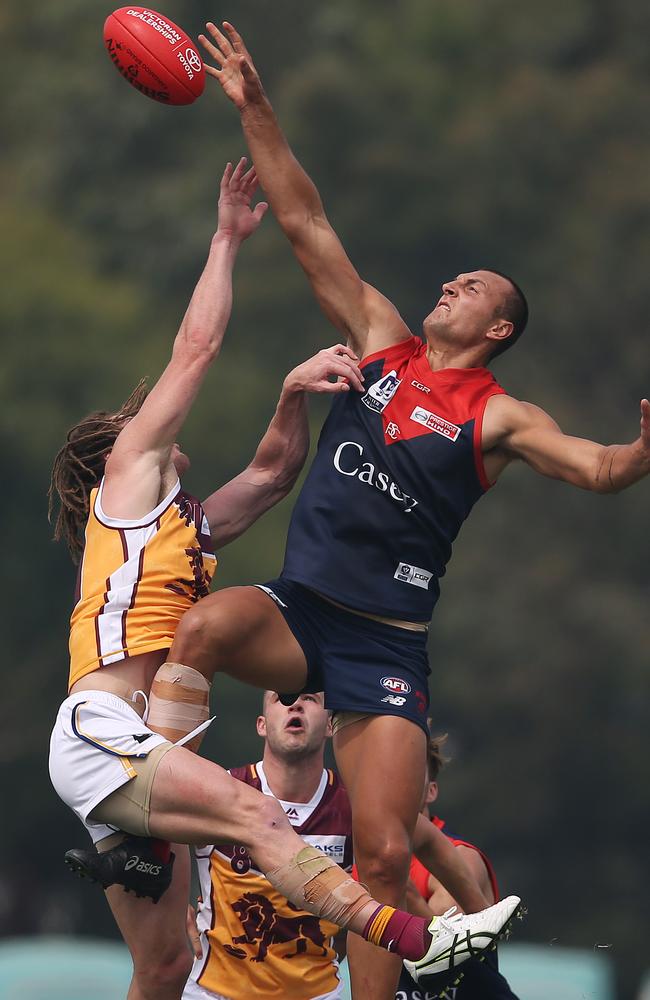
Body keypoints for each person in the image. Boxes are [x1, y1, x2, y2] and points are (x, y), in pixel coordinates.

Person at [129, 21, 650, 998]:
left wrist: (634, 456)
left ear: (495, 329)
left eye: (474, 289)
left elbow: (587, 466)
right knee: (195, 628)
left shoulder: (494, 414)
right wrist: (253, 106)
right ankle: (154, 829)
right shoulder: (382, 342)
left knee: (378, 857)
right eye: (453, 277)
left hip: (384, 649)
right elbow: (306, 225)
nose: (450, 284)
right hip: (302, 608)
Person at [48, 159, 517, 1000]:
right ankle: (419, 938)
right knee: (260, 817)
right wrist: (226, 240)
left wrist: (292, 393)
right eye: (138, 419)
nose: (152, 419)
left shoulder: (182, 528)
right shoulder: (125, 482)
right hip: (101, 731)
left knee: (161, 968)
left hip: (142, 751)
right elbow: (197, 346)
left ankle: (145, 845)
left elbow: (271, 477)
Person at [183, 691, 351, 1000]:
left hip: (317, 993)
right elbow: (152, 827)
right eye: (282, 699)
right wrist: (174, 911)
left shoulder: (354, 806)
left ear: (330, 725)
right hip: (212, 992)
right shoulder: (223, 791)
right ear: (262, 724)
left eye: (310, 698)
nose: (295, 704)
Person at [396, 735, 520, 1000]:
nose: (398, 781)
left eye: (410, 770)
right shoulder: (364, 856)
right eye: (391, 769)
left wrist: (397, 886)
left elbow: (438, 949)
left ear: (431, 791)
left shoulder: (460, 858)